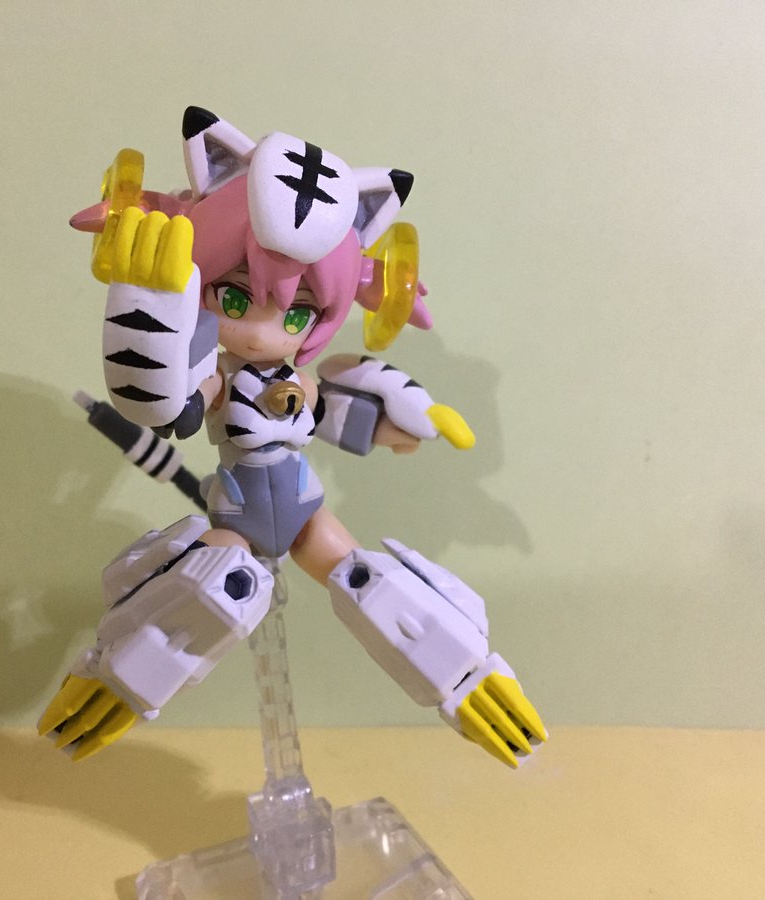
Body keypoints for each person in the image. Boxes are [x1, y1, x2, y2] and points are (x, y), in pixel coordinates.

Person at [39, 107, 546, 769]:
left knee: (369, 581)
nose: (263, 330)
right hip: (237, 520)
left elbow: (335, 410)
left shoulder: (301, 380)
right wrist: (147, 332)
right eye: (235, 298)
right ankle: (117, 678)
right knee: (217, 588)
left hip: (308, 516)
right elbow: (172, 409)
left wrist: (403, 421)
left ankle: (466, 675)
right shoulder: (217, 377)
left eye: (298, 313)